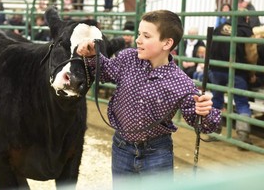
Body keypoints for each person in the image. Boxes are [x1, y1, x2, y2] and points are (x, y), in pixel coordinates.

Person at [76, 10, 221, 188]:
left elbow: (202, 123)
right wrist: (92, 56)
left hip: (157, 153)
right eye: (139, 34)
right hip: (121, 146)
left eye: (146, 36)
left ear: (167, 43)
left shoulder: (181, 83)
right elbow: (105, 71)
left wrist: (204, 112)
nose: (138, 40)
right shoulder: (128, 58)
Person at [209, 14, 254, 148]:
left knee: (216, 99)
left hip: (216, 69)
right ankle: (242, 135)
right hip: (236, 70)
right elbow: (251, 53)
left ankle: (213, 131)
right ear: (246, 19)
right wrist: (251, 71)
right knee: (241, 102)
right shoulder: (245, 31)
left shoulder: (219, 28)